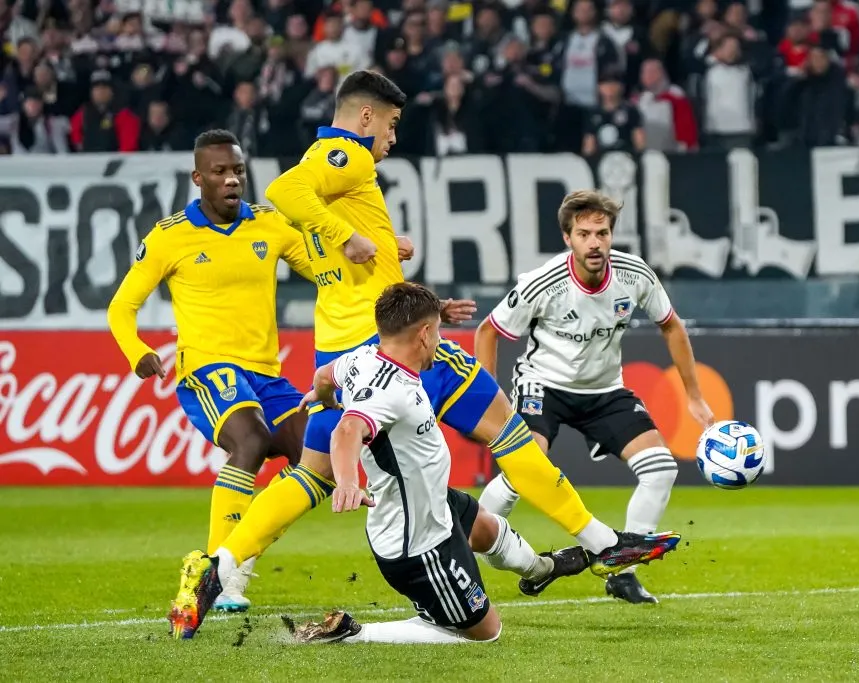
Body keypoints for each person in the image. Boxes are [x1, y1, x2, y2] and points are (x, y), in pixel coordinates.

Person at [169, 70, 679, 639]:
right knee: (508, 431)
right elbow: (286, 191)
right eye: (390, 124)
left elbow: (346, 263)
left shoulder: (331, 166)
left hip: (342, 345)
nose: (391, 138)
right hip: (392, 348)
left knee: (308, 477)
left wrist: (386, 251)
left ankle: (219, 567)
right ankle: (604, 543)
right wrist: (352, 237)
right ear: (366, 117)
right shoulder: (347, 155)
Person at [288, 284, 590, 644]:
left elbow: (325, 376)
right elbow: (347, 430)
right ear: (426, 333)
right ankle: (351, 633)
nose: (439, 341)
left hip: (434, 502)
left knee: (487, 528)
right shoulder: (389, 390)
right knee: (486, 632)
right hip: (418, 544)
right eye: (438, 331)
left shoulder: (361, 358)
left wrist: (322, 397)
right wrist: (348, 482)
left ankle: (542, 569)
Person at [107, 130, 315, 631]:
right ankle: (226, 578)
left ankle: (237, 554)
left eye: (238, 171)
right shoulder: (169, 235)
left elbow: (325, 271)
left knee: (317, 458)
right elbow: (121, 306)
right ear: (198, 178)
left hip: (267, 373)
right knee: (251, 441)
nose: (232, 180)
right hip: (206, 367)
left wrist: (375, 263)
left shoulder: (268, 225)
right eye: (220, 172)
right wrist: (137, 353)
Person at [476, 190, 714, 604]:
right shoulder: (543, 283)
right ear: (568, 238)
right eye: (584, 233)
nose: (595, 242)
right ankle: (473, 533)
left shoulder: (634, 275)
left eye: (602, 233)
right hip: (543, 385)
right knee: (525, 468)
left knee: (661, 469)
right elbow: (488, 331)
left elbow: (671, 325)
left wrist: (694, 396)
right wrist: (488, 401)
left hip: (604, 390)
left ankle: (623, 573)